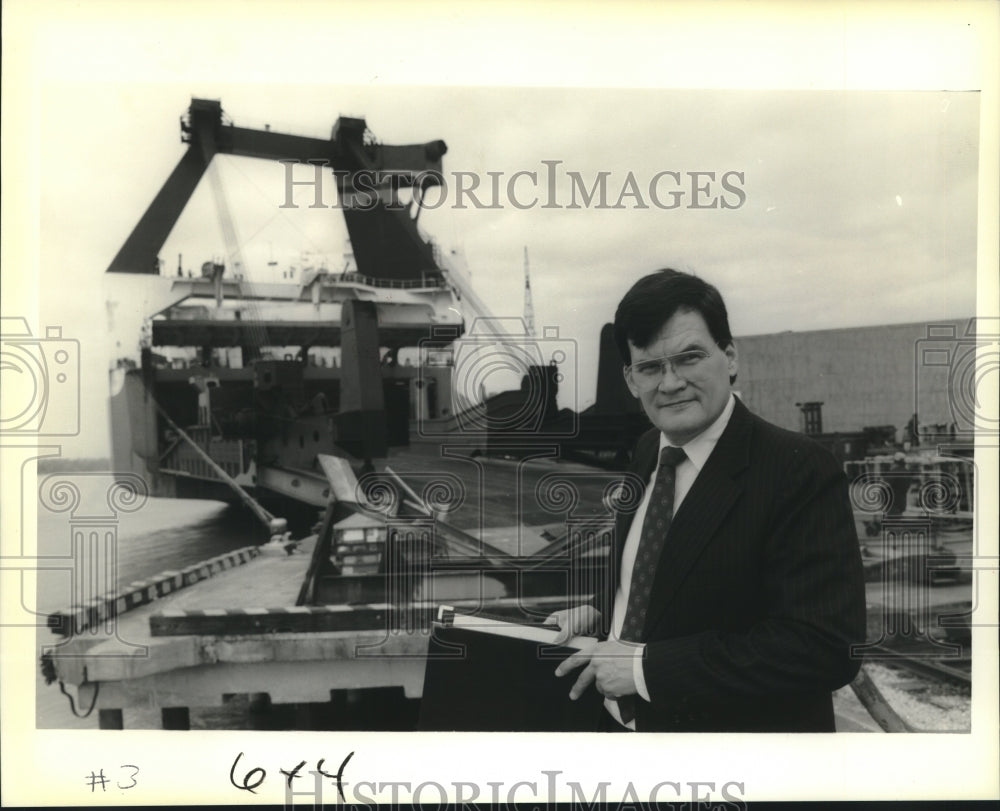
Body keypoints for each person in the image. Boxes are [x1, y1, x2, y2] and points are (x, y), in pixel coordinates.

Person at [550, 269, 866, 732]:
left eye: (689, 357)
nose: (671, 382)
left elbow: (824, 647)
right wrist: (601, 609)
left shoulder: (799, 471)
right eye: (651, 367)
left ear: (730, 357)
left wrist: (644, 668)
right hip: (620, 736)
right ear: (631, 379)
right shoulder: (646, 450)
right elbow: (659, 566)